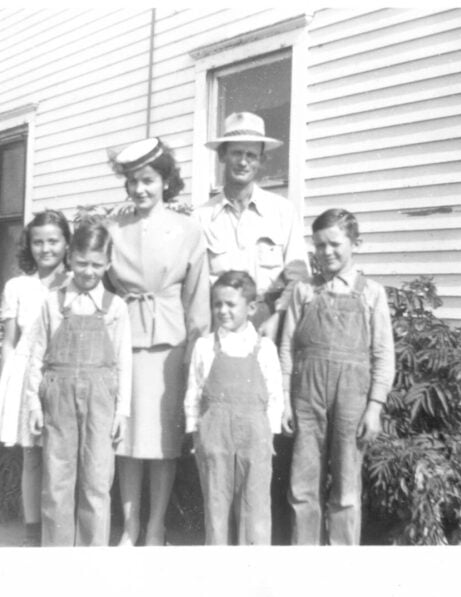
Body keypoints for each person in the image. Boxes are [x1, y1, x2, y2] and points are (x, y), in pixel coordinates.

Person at [105, 137, 211, 546]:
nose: (140, 190)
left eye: (148, 180)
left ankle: (156, 526)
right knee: (129, 438)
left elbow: (197, 300)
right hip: (125, 341)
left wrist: (194, 353)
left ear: (165, 180)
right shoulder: (113, 230)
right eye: (132, 182)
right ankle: (130, 526)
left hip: (171, 343)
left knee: (164, 441)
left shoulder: (188, 231)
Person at [279, 208, 395, 545]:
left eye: (334, 244)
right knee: (303, 484)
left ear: (355, 243)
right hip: (306, 395)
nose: (326, 252)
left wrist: (374, 407)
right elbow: (287, 348)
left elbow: (383, 355)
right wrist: (286, 400)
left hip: (352, 398)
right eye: (319, 245)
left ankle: (342, 566)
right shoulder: (304, 291)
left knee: (345, 485)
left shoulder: (372, 293)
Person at [23, 218, 132, 546]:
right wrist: (33, 404)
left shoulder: (116, 308)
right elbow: (36, 356)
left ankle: (91, 563)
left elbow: (124, 362)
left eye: (97, 265)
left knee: (97, 482)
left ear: (108, 264)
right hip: (58, 398)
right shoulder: (53, 304)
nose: (88, 271)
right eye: (82, 263)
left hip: (101, 400)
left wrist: (121, 411)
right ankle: (57, 562)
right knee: (57, 482)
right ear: (69, 258)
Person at [0, 210, 70, 546]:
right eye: (38, 242)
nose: (46, 248)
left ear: (66, 242)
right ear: (29, 246)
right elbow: (9, 342)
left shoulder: (78, 281)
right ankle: (33, 532)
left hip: (63, 373)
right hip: (26, 376)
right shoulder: (18, 286)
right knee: (32, 456)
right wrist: (7, 388)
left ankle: (63, 528)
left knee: (63, 454)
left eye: (53, 241)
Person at [184, 270, 283, 545]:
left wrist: (270, 434)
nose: (222, 311)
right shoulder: (205, 346)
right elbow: (193, 392)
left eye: (230, 304)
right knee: (216, 503)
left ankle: (253, 568)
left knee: (255, 505)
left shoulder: (264, 348)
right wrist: (195, 430)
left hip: (256, 435)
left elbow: (275, 395)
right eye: (217, 304)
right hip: (214, 433)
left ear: (251, 308)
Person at [194, 111, 308, 340]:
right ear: (222, 156)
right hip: (219, 321)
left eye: (251, 155)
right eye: (236, 153)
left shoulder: (282, 212)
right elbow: (195, 287)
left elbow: (299, 275)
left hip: (269, 319)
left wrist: (278, 317)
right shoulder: (201, 218)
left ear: (261, 160)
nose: (243, 162)